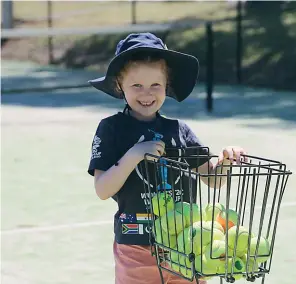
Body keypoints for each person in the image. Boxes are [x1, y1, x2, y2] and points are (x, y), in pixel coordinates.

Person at [87, 32, 246, 284]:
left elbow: (213, 179)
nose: (146, 94)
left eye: (155, 85)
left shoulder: (179, 130)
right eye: (136, 85)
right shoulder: (111, 129)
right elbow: (103, 189)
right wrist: (134, 155)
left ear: (166, 84)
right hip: (136, 247)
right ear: (120, 84)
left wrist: (226, 160)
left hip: (187, 246)